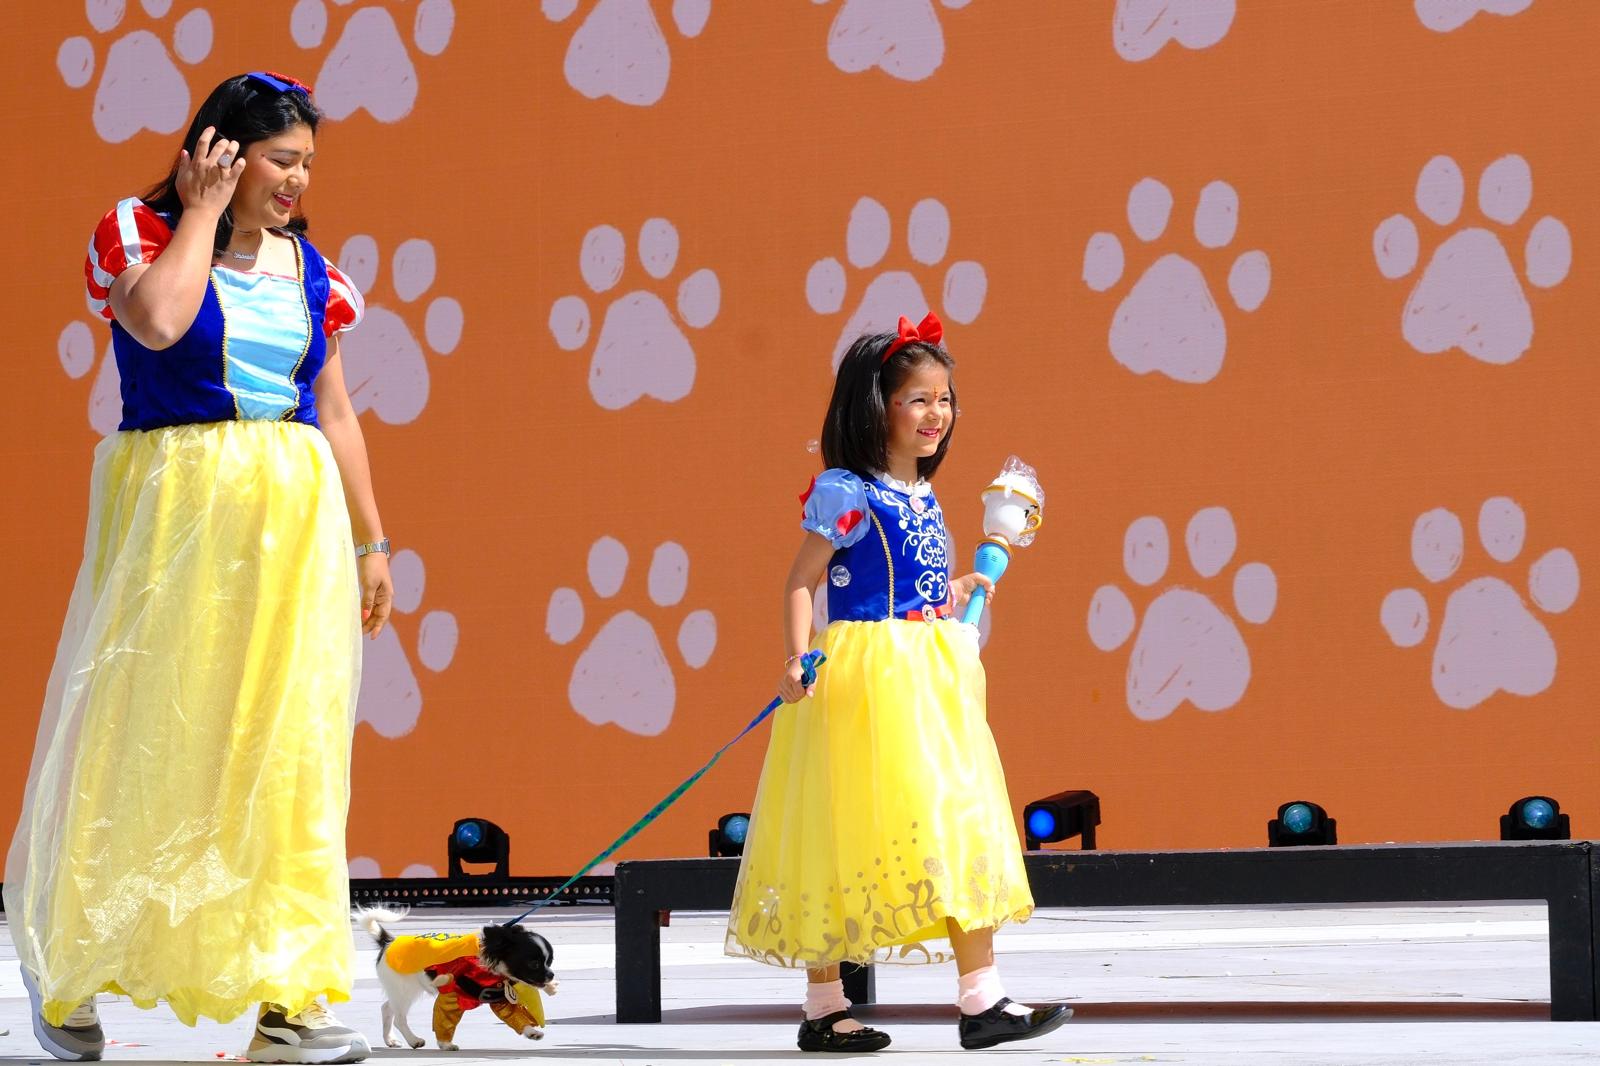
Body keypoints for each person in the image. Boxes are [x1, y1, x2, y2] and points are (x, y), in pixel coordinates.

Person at [6, 71, 390, 1065]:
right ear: (219, 151)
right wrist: (204, 215)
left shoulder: (311, 269)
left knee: (286, 749)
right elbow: (161, 324)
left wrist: (372, 538)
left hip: (291, 521)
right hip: (181, 508)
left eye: (307, 161)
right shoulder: (137, 232)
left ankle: (287, 1000)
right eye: (280, 158)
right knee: (146, 734)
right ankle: (76, 979)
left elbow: (336, 413)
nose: (298, 179)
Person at [724, 313, 1072, 1052]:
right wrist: (794, 659)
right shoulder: (848, 489)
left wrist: (957, 589)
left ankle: (983, 998)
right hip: (862, 680)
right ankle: (825, 1006)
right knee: (836, 829)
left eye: (944, 399)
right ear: (878, 406)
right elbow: (801, 583)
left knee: (958, 818)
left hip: (929, 675)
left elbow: (907, 583)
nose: (936, 414)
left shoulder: (923, 495)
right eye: (919, 398)